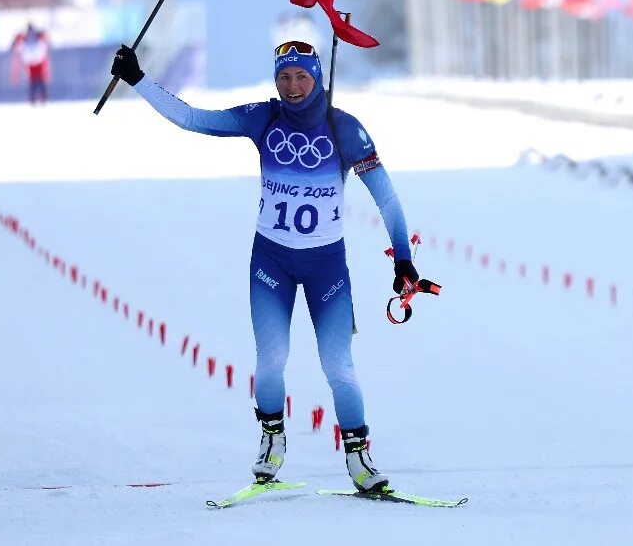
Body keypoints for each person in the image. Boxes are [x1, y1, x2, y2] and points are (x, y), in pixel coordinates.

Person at [110, 39, 426, 492]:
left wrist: (403, 258)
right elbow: (194, 119)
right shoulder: (264, 117)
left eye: (301, 76)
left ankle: (359, 456)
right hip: (271, 262)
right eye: (284, 77)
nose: (293, 86)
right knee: (272, 360)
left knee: (338, 366)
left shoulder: (346, 129)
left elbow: (388, 198)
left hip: (326, 268)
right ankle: (272, 437)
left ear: (317, 77)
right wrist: (138, 79)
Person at [11, 22, 51, 105]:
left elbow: (45, 39)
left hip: (32, 60)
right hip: (34, 60)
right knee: (37, 80)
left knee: (37, 80)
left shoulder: (33, 36)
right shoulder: (28, 36)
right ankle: (38, 97)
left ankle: (38, 97)